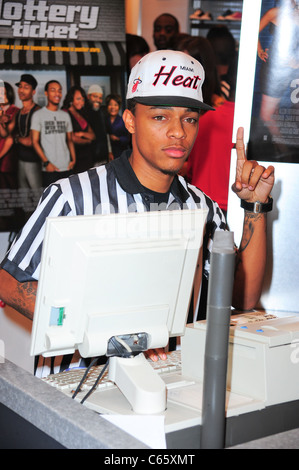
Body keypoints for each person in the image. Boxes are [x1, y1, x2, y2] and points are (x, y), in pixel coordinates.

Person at [0, 50, 275, 367]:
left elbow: (243, 298)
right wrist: (105, 330)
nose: (178, 131)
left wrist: (255, 205)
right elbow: (10, 281)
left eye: (189, 119)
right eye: (160, 117)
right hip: (78, 393)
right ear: (130, 121)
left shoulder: (203, 207)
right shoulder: (72, 196)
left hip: (169, 388)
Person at [257, 0, 299, 151]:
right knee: (269, 115)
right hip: (272, 69)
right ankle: (283, 152)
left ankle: (285, 153)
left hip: (291, 72)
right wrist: (259, 51)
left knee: (269, 115)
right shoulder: (273, 13)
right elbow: (252, 30)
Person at [31, 80, 76, 187]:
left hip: (67, 167)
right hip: (50, 168)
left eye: (59, 91)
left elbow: (69, 140)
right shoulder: (38, 115)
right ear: (46, 93)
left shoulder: (65, 115)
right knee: (51, 200)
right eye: (53, 90)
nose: (57, 94)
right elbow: (34, 141)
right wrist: (46, 163)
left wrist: (73, 160)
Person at [12, 74, 42, 189]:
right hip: (20, 160)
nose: (21, 90)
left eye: (26, 87)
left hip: (34, 161)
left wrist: (16, 138)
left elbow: (30, 141)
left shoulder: (37, 111)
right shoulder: (18, 113)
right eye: (20, 86)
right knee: (24, 196)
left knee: (36, 195)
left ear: (33, 92)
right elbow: (6, 133)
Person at [62, 86, 95, 174]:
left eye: (83, 99)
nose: (81, 102)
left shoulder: (82, 114)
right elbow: (71, 138)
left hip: (87, 156)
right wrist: (88, 141)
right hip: (75, 157)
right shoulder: (65, 113)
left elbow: (93, 135)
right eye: (78, 99)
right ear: (71, 99)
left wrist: (81, 134)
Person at [0, 82, 19, 189]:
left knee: (10, 188)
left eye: (3, 93)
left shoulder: (15, 111)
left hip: (8, 157)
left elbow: (7, 135)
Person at [86, 84, 109, 166]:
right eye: (95, 96)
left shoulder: (102, 112)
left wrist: (109, 151)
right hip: (88, 158)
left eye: (100, 98)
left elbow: (106, 134)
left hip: (103, 156)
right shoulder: (83, 113)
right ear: (88, 96)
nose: (98, 100)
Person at [105, 93, 130, 159]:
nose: (113, 107)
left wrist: (118, 139)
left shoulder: (123, 121)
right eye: (110, 104)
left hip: (120, 153)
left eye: (115, 105)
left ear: (119, 107)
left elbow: (128, 138)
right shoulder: (104, 120)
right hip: (106, 154)